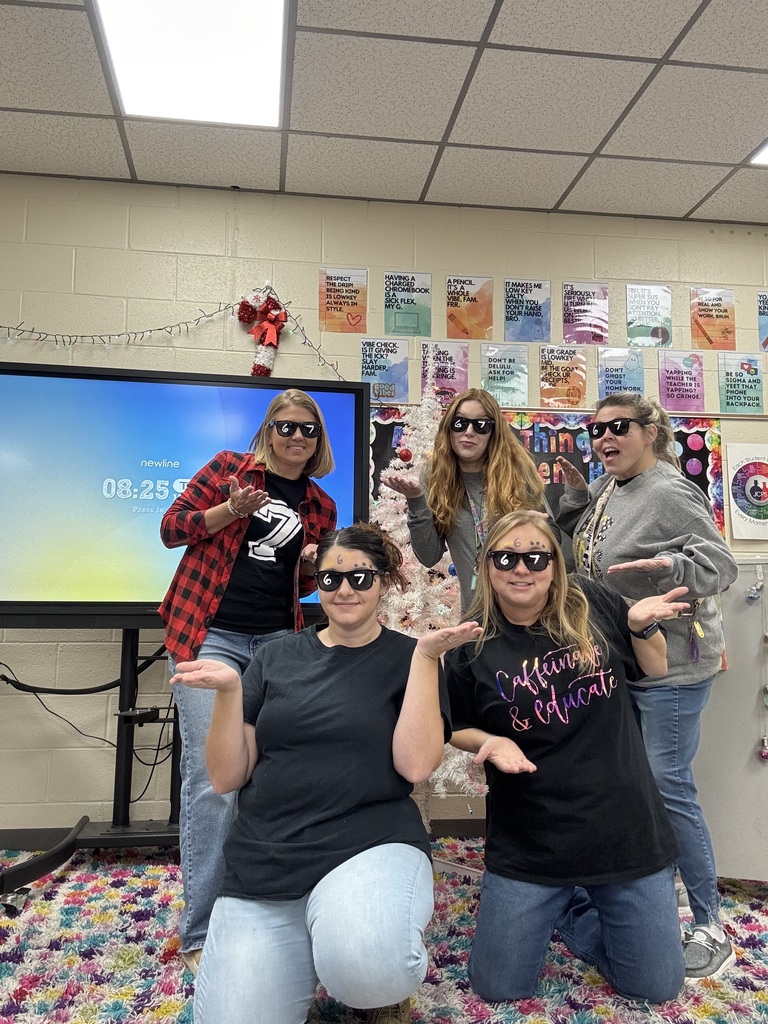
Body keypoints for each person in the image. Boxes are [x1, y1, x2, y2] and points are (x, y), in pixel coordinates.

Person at [169, 523, 481, 1024]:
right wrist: (228, 695)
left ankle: (356, 949)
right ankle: (313, 941)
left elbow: (416, 765)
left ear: (384, 581)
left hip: (370, 844)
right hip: (267, 861)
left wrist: (425, 658)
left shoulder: (410, 657)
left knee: (370, 969)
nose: (344, 590)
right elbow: (227, 778)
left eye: (360, 577)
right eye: (331, 578)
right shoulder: (273, 656)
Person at [444, 510, 691, 1004]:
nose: (521, 569)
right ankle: (564, 904)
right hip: (532, 840)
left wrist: (641, 629)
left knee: (656, 986)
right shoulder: (468, 645)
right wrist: (488, 742)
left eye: (535, 556)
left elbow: (656, 666)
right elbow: (454, 726)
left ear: (554, 564)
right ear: (486, 565)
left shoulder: (591, 602)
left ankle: (579, 906)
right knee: (497, 987)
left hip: (626, 830)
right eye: (506, 557)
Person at [555, 392, 739, 981]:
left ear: (652, 431)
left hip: (674, 667)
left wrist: (671, 570)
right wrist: (580, 501)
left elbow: (722, 566)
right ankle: (667, 893)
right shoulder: (617, 484)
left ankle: (712, 924)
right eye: (596, 429)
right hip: (628, 658)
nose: (605, 438)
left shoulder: (665, 489)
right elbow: (599, 555)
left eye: (618, 427)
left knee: (668, 785)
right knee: (641, 784)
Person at [158, 388, 337, 972]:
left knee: (269, 774)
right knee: (213, 785)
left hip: (277, 644)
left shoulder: (320, 504)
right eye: (285, 427)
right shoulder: (227, 470)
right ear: (268, 431)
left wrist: (312, 566)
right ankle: (201, 933)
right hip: (211, 635)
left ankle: (262, 909)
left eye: (307, 430)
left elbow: (303, 584)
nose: (296, 438)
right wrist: (231, 510)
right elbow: (172, 528)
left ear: (318, 441)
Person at [382, 387, 554, 614]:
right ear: (449, 429)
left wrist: (537, 529)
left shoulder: (518, 474)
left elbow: (556, 546)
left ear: (494, 432)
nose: (469, 432)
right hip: (475, 618)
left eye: (481, 425)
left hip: (528, 615)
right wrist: (416, 502)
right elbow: (428, 556)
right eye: (460, 423)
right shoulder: (436, 476)